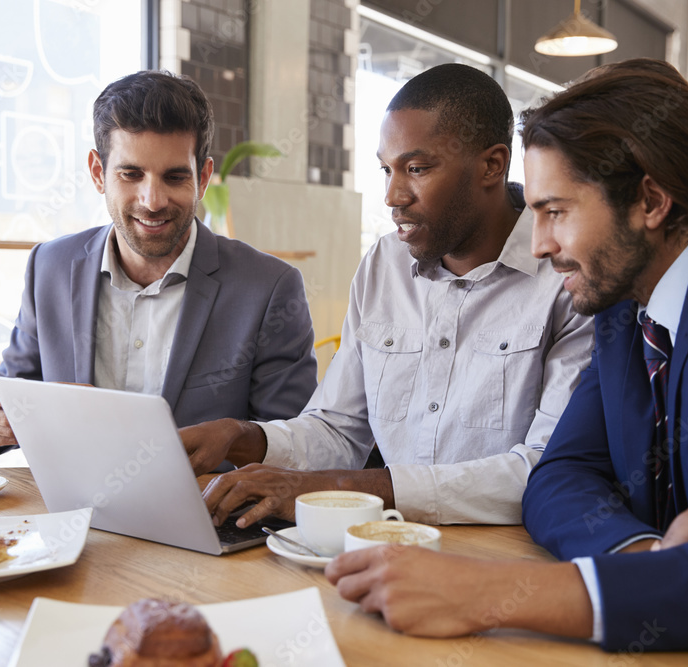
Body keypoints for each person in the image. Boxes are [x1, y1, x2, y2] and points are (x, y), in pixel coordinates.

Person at [325, 58, 688, 664]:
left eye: (556, 212)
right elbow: (556, 478)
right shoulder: (627, 309)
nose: (539, 244)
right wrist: (648, 556)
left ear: (650, 201)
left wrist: (488, 592)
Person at [182, 63, 593, 528]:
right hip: (383, 547)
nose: (393, 195)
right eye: (386, 169)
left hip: (503, 560)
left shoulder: (567, 275)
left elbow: (543, 467)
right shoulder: (383, 264)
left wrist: (341, 490)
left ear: (492, 165)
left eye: (416, 168)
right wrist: (241, 437)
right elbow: (339, 427)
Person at [0, 70, 318, 459]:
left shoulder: (269, 288)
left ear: (203, 179)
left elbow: (294, 445)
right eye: (130, 174)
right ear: (98, 172)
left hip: (207, 515)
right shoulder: (49, 267)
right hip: (68, 509)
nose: (152, 200)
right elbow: (13, 390)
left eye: (174, 177)